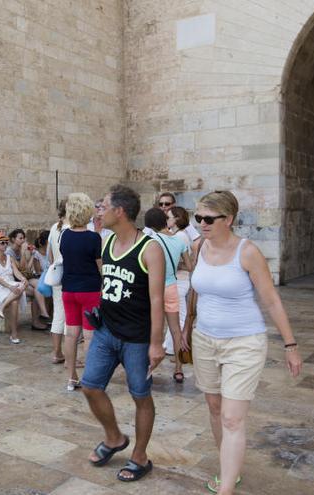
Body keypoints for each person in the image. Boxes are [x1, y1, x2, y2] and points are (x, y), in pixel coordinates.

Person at [187, 191, 303, 494]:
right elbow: (197, 292)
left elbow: (272, 301)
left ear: (229, 219)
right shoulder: (197, 247)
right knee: (214, 408)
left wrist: (290, 346)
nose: (201, 223)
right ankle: (230, 470)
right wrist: (187, 327)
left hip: (244, 342)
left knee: (232, 418)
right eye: (198, 217)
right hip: (204, 339)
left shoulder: (247, 252)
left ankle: (226, 489)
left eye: (209, 219)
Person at [81, 185, 165, 483]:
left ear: (120, 211)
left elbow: (157, 300)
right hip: (106, 331)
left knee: (140, 395)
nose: (98, 211)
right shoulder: (106, 242)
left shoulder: (150, 249)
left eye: (103, 206)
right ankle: (114, 437)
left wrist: (156, 343)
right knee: (90, 385)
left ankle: (140, 456)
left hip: (137, 338)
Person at [60, 193, 103, 392]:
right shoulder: (94, 238)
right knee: (89, 336)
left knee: (71, 334)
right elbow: (100, 267)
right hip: (89, 290)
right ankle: (89, 378)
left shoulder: (64, 235)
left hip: (68, 289)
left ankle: (71, 378)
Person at [143, 207, 190, 383]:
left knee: (151, 329)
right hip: (172, 287)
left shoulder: (150, 241)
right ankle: (178, 369)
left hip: (153, 288)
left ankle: (147, 366)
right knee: (175, 329)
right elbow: (189, 265)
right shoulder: (179, 241)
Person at [0, 232, 28, 344]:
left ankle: (2, 307)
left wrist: (23, 278)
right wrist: (10, 286)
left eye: (6, 243)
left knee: (23, 284)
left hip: (9, 285)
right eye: (2, 243)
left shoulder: (9, 257)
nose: (5, 245)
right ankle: (14, 333)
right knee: (14, 302)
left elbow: (16, 272)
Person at [166, 206, 197, 355]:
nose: (167, 220)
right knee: (178, 313)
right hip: (180, 279)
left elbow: (178, 261)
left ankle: (178, 346)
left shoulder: (180, 236)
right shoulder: (178, 235)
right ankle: (171, 345)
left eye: (169, 217)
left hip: (180, 279)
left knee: (179, 314)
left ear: (177, 219)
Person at [7, 229, 50, 330]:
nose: (23, 240)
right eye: (20, 238)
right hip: (14, 280)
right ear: (13, 239)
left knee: (40, 286)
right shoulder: (9, 252)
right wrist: (23, 252)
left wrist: (32, 255)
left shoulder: (23, 250)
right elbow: (20, 269)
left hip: (24, 278)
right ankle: (39, 318)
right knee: (37, 291)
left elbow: (27, 269)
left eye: (24, 238)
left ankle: (42, 315)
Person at [47, 201, 69, 364]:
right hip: (70, 275)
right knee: (71, 318)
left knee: (58, 315)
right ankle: (70, 355)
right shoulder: (72, 228)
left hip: (57, 274)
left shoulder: (55, 227)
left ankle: (57, 353)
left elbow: (50, 255)